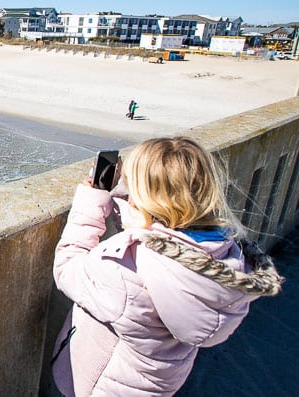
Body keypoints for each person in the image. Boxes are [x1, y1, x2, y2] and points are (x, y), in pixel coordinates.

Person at [51, 137, 283, 396]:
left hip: (100, 386)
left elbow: (67, 268)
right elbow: (160, 234)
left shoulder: (124, 270)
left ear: (142, 197)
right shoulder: (225, 255)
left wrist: (90, 203)